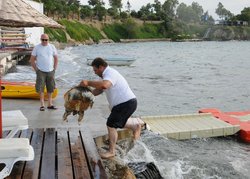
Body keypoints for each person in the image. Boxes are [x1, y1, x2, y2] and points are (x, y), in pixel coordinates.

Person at [79, 57, 144, 159]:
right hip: (125, 104)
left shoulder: (110, 73)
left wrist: (88, 82)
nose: (95, 73)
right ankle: (135, 126)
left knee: (111, 124)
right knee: (117, 122)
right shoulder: (107, 76)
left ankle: (111, 151)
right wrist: (84, 94)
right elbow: (98, 91)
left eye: (95, 70)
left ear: (101, 67)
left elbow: (104, 86)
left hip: (126, 103)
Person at [30, 34, 58, 111]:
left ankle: (50, 104)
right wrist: (36, 70)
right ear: (40, 39)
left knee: (50, 88)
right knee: (40, 88)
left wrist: (54, 69)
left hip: (50, 71)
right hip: (40, 71)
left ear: (48, 40)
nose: (44, 41)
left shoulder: (52, 47)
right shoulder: (37, 47)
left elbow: (56, 58)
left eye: (46, 40)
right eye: (43, 40)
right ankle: (42, 105)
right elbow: (32, 60)